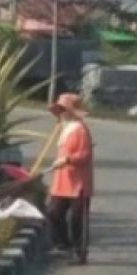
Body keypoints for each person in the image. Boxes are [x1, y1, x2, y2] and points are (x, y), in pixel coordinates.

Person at [46, 93, 95, 265]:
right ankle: (61, 245)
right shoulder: (64, 128)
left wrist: (68, 160)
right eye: (59, 109)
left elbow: (84, 155)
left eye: (63, 109)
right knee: (53, 212)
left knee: (77, 219)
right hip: (61, 181)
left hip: (78, 182)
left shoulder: (80, 130)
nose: (61, 113)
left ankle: (79, 252)